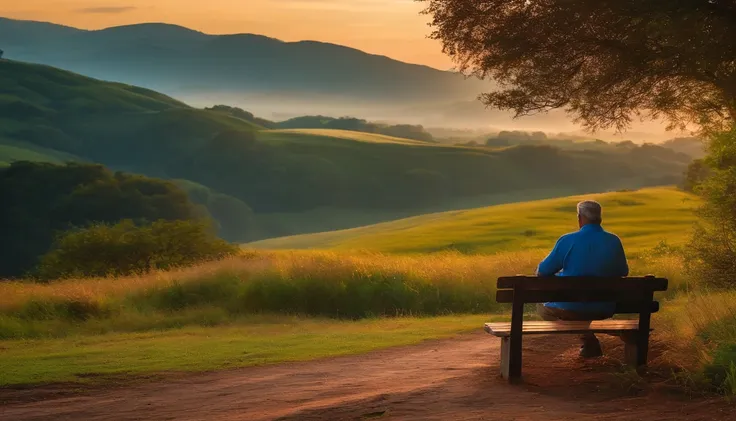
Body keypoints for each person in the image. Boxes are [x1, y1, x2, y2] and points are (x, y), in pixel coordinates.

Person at [536, 200, 629, 358]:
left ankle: (588, 339)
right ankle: (591, 340)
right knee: (583, 308)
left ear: (580, 218)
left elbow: (543, 272)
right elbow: (623, 271)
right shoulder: (613, 241)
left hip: (570, 307)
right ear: (599, 218)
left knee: (542, 307)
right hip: (604, 307)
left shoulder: (567, 240)